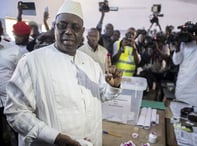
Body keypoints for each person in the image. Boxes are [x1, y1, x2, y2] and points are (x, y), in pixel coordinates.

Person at [4, 1, 122, 146]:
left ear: (82, 31)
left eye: (75, 27)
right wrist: (54, 137)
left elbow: (102, 95)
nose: (68, 31)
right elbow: (16, 111)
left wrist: (112, 87)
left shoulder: (91, 64)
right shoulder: (32, 62)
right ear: (54, 27)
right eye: (62, 25)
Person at [0, 20, 24, 146]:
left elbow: (23, 76)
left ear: (1, 29)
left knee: (18, 132)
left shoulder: (14, 51)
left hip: (10, 100)